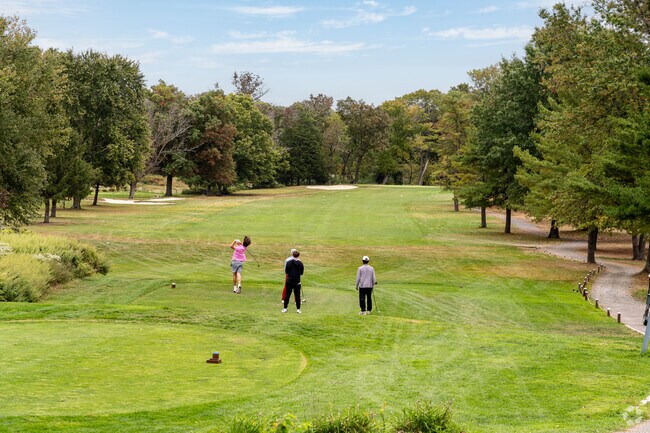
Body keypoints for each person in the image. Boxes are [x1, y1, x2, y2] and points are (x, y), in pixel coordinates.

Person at [283, 249, 304, 314]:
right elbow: (301, 273)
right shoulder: (300, 263)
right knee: (297, 295)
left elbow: (286, 271)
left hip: (289, 281)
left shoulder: (289, 262)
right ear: (298, 256)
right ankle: (298, 309)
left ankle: (285, 309)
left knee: (287, 295)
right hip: (297, 282)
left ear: (292, 255)